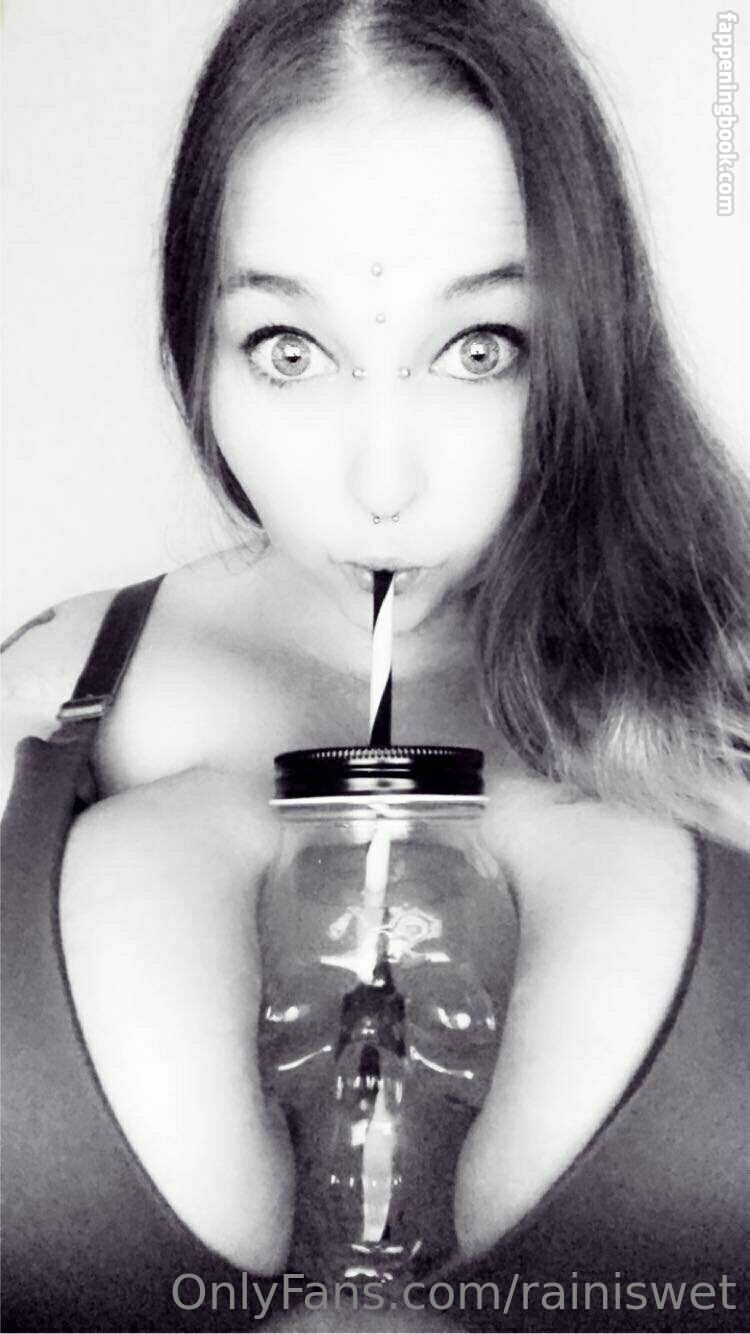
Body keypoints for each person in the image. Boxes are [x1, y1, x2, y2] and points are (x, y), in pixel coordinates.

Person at [2, 0, 748, 1330]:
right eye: (289, 351)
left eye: (480, 349)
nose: (382, 482)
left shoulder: (731, 691)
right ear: (196, 347)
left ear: (588, 343)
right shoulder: (47, 696)